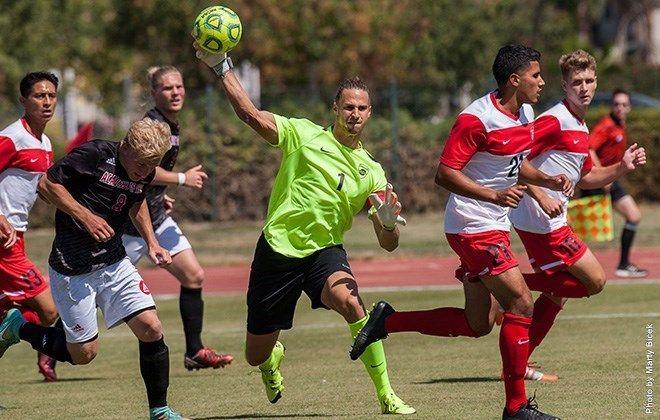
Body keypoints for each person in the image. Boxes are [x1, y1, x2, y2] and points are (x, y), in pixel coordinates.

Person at [350, 45, 573, 419]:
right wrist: (493, 195)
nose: (542, 81)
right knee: (521, 304)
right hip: (472, 225)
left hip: (493, 224)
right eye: (537, 75)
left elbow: (513, 164)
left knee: (479, 324)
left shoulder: (525, 112)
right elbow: (445, 174)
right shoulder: (476, 119)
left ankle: (387, 320)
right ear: (515, 80)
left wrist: (547, 178)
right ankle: (516, 409)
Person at [194, 44, 415, 415]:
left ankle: (386, 396)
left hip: (324, 251)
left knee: (351, 302)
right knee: (254, 354)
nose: (355, 114)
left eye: (361, 108)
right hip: (277, 250)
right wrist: (221, 67)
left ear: (370, 113)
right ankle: (270, 360)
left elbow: (388, 244)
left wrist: (389, 224)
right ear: (335, 109)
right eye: (348, 107)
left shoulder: (373, 172)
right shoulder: (302, 134)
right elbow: (251, 116)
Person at [0, 118, 186, 420]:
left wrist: (152, 242)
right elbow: (47, 184)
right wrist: (85, 216)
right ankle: (18, 327)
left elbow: (135, 202)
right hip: (73, 267)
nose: (142, 172)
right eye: (139, 164)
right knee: (83, 355)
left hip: (114, 261)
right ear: (125, 145)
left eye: (149, 166)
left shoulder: (144, 169)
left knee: (151, 328)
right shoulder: (95, 155)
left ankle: (160, 411)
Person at [507, 50, 646, 381]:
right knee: (594, 281)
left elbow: (587, 177)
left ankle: (519, 362)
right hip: (541, 223)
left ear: (596, 82)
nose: (583, 87)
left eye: (588, 81)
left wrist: (621, 167)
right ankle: (501, 285)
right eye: (576, 82)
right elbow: (512, 161)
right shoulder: (553, 120)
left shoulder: (581, 127)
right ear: (564, 85)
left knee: (557, 294)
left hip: (548, 222)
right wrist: (540, 195)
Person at [122, 65, 233, 370]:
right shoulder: (152, 124)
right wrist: (181, 179)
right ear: (154, 93)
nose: (175, 93)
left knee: (194, 276)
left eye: (179, 87)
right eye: (167, 88)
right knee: (95, 293)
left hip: (157, 217)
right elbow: (141, 166)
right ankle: (51, 346)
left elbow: (146, 178)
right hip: (130, 225)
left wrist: (160, 194)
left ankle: (194, 351)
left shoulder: (169, 123)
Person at [0, 71, 60, 382]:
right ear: (24, 100)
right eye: (39, 95)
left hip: (17, 239)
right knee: (49, 311)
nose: (47, 101)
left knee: (8, 314)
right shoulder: (12, 138)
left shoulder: (45, 143)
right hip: (3, 242)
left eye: (51, 95)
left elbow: (45, 189)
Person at [582, 89, 647, 278]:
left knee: (634, 216)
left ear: (629, 107)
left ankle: (624, 265)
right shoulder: (607, 125)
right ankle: (564, 266)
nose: (620, 107)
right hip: (597, 179)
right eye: (617, 104)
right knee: (580, 228)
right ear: (612, 105)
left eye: (624, 104)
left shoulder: (620, 125)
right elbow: (590, 148)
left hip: (611, 180)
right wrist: (602, 173)